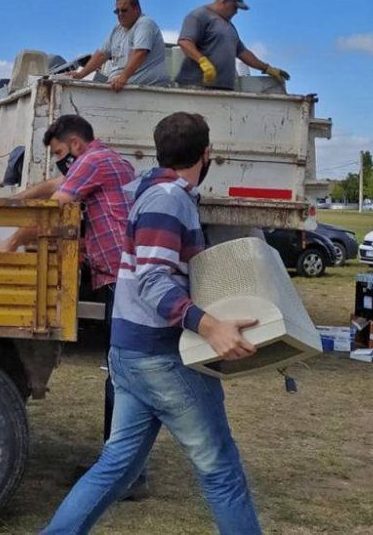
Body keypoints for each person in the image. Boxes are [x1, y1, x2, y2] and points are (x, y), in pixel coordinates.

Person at [42, 112, 262, 535]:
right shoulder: (168, 200)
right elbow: (154, 279)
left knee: (118, 467)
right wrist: (210, 326)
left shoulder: (153, 190)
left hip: (130, 352)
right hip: (160, 358)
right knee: (221, 471)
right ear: (206, 154)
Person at [0, 115, 146, 495]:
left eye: (61, 153)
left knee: (124, 375)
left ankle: (124, 473)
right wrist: (13, 201)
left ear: (76, 144)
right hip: (123, 278)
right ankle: (119, 465)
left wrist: (10, 244)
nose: (61, 161)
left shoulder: (95, 161)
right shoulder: (107, 161)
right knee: (124, 373)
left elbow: (55, 209)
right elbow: (54, 185)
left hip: (124, 280)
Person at [175, 0, 290, 91]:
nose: (236, 12)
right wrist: (203, 62)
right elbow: (185, 42)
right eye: (234, 7)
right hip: (196, 86)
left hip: (223, 88)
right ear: (223, 2)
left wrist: (267, 68)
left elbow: (242, 52)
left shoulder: (229, 26)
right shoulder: (199, 16)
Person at [68, 0, 170, 91]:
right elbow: (102, 54)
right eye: (117, 11)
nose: (120, 14)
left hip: (143, 88)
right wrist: (80, 75)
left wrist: (123, 77)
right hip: (121, 86)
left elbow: (140, 52)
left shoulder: (145, 23)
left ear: (137, 9)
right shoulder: (117, 29)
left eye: (124, 10)